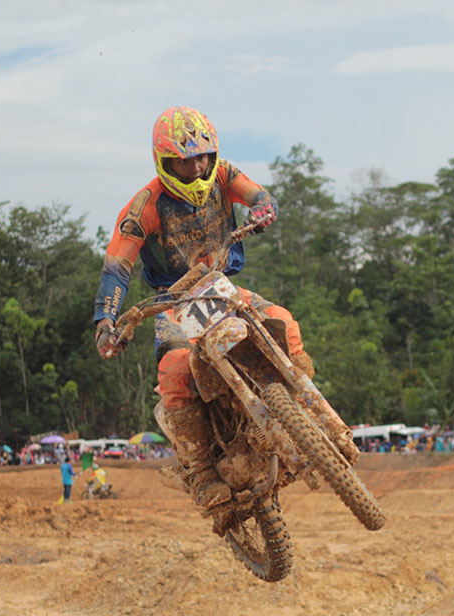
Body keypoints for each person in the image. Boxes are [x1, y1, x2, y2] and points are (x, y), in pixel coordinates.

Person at [93, 106, 312, 510]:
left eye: (201, 157)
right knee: (175, 369)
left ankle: (305, 411)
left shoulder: (224, 174)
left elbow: (258, 194)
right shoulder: (144, 207)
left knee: (284, 323)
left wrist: (264, 207)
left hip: (221, 288)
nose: (195, 169)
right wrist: (106, 321)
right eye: (183, 161)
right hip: (173, 301)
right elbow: (117, 268)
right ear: (164, 162)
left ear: (213, 154)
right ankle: (200, 471)